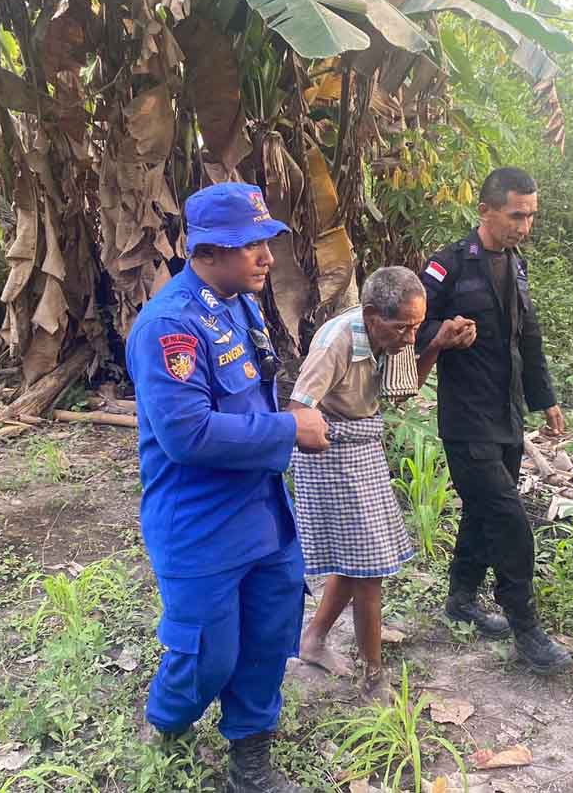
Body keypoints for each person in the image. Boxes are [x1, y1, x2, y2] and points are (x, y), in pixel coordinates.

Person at [126, 182, 330, 793]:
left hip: (262, 511)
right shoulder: (171, 325)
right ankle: (166, 722)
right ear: (209, 251)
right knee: (207, 655)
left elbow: (252, 388)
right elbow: (188, 434)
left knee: (268, 638)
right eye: (250, 246)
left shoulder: (238, 300)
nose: (266, 256)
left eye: (266, 241)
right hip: (199, 520)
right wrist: (288, 429)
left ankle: (251, 762)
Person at [287, 267, 475, 701]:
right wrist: (320, 445)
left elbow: (403, 389)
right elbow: (299, 409)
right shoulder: (335, 343)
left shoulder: (393, 335)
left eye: (416, 325)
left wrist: (436, 345)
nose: (410, 336)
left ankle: (313, 639)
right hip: (331, 451)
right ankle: (374, 678)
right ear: (372, 315)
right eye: (404, 327)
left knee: (359, 561)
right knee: (369, 569)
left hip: (363, 445)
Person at [414, 166, 573, 675]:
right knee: (509, 520)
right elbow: (407, 324)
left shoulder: (517, 266)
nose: (524, 226)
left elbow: (529, 340)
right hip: (466, 419)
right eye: (515, 215)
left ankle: (460, 599)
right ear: (485, 211)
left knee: (482, 513)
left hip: (506, 417)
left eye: (531, 216)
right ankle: (525, 627)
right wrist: (440, 334)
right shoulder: (449, 266)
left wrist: (544, 399)